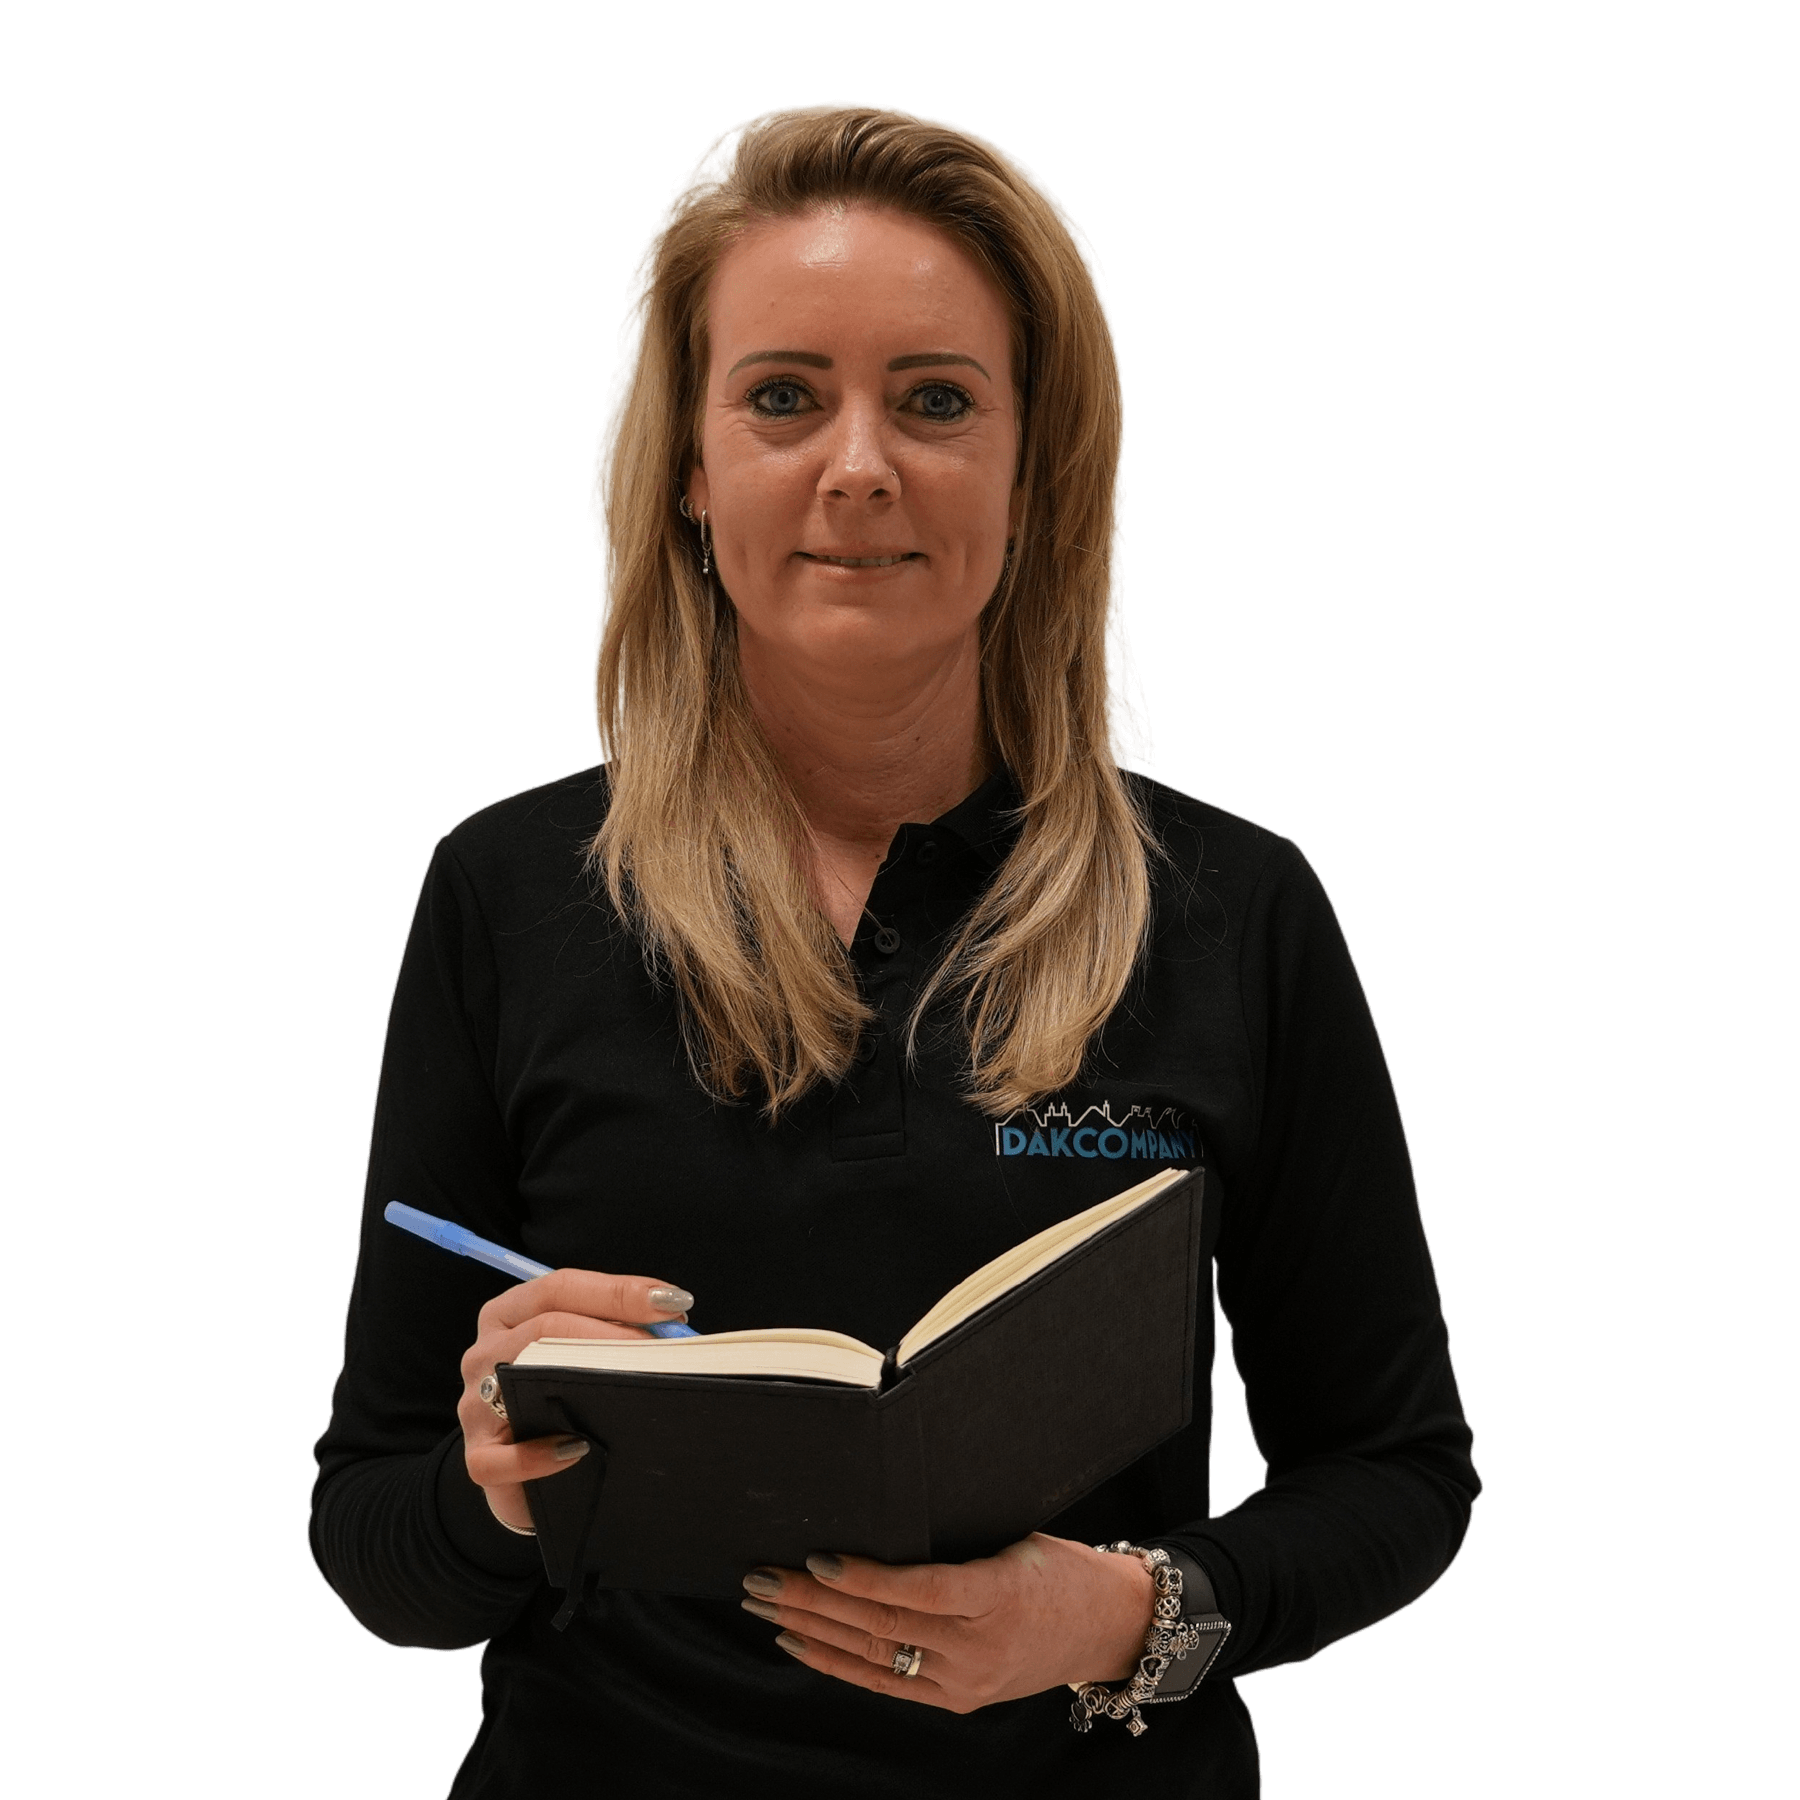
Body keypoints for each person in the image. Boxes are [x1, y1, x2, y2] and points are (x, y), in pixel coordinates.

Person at [309, 102, 1479, 1798]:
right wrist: (491, 1478)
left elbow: (1402, 1476)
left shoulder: (1238, 904)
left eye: (935, 400)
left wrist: (1122, 1618)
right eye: (783, 398)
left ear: (1033, 464)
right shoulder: (504, 892)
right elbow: (374, 1550)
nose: (858, 467)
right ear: (691, 467)